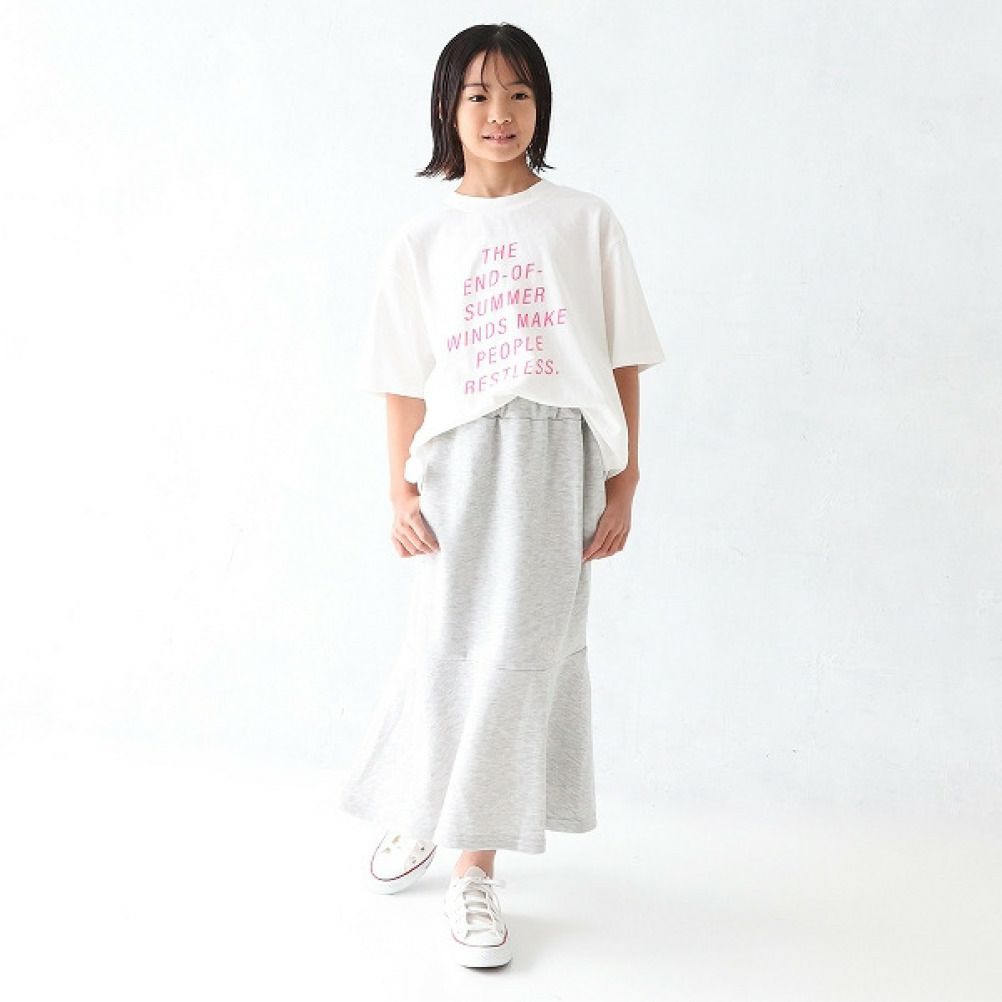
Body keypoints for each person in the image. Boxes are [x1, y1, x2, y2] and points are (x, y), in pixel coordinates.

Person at [335, 22, 665, 968]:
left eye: (519, 93)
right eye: (479, 94)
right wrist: (399, 489)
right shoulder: (422, 236)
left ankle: (474, 865)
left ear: (541, 106)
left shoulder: (584, 221)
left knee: (524, 654)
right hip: (460, 458)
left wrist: (625, 480)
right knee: (446, 642)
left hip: (559, 456)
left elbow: (622, 357)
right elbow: (401, 376)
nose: (499, 113)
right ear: (448, 107)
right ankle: (424, 805)